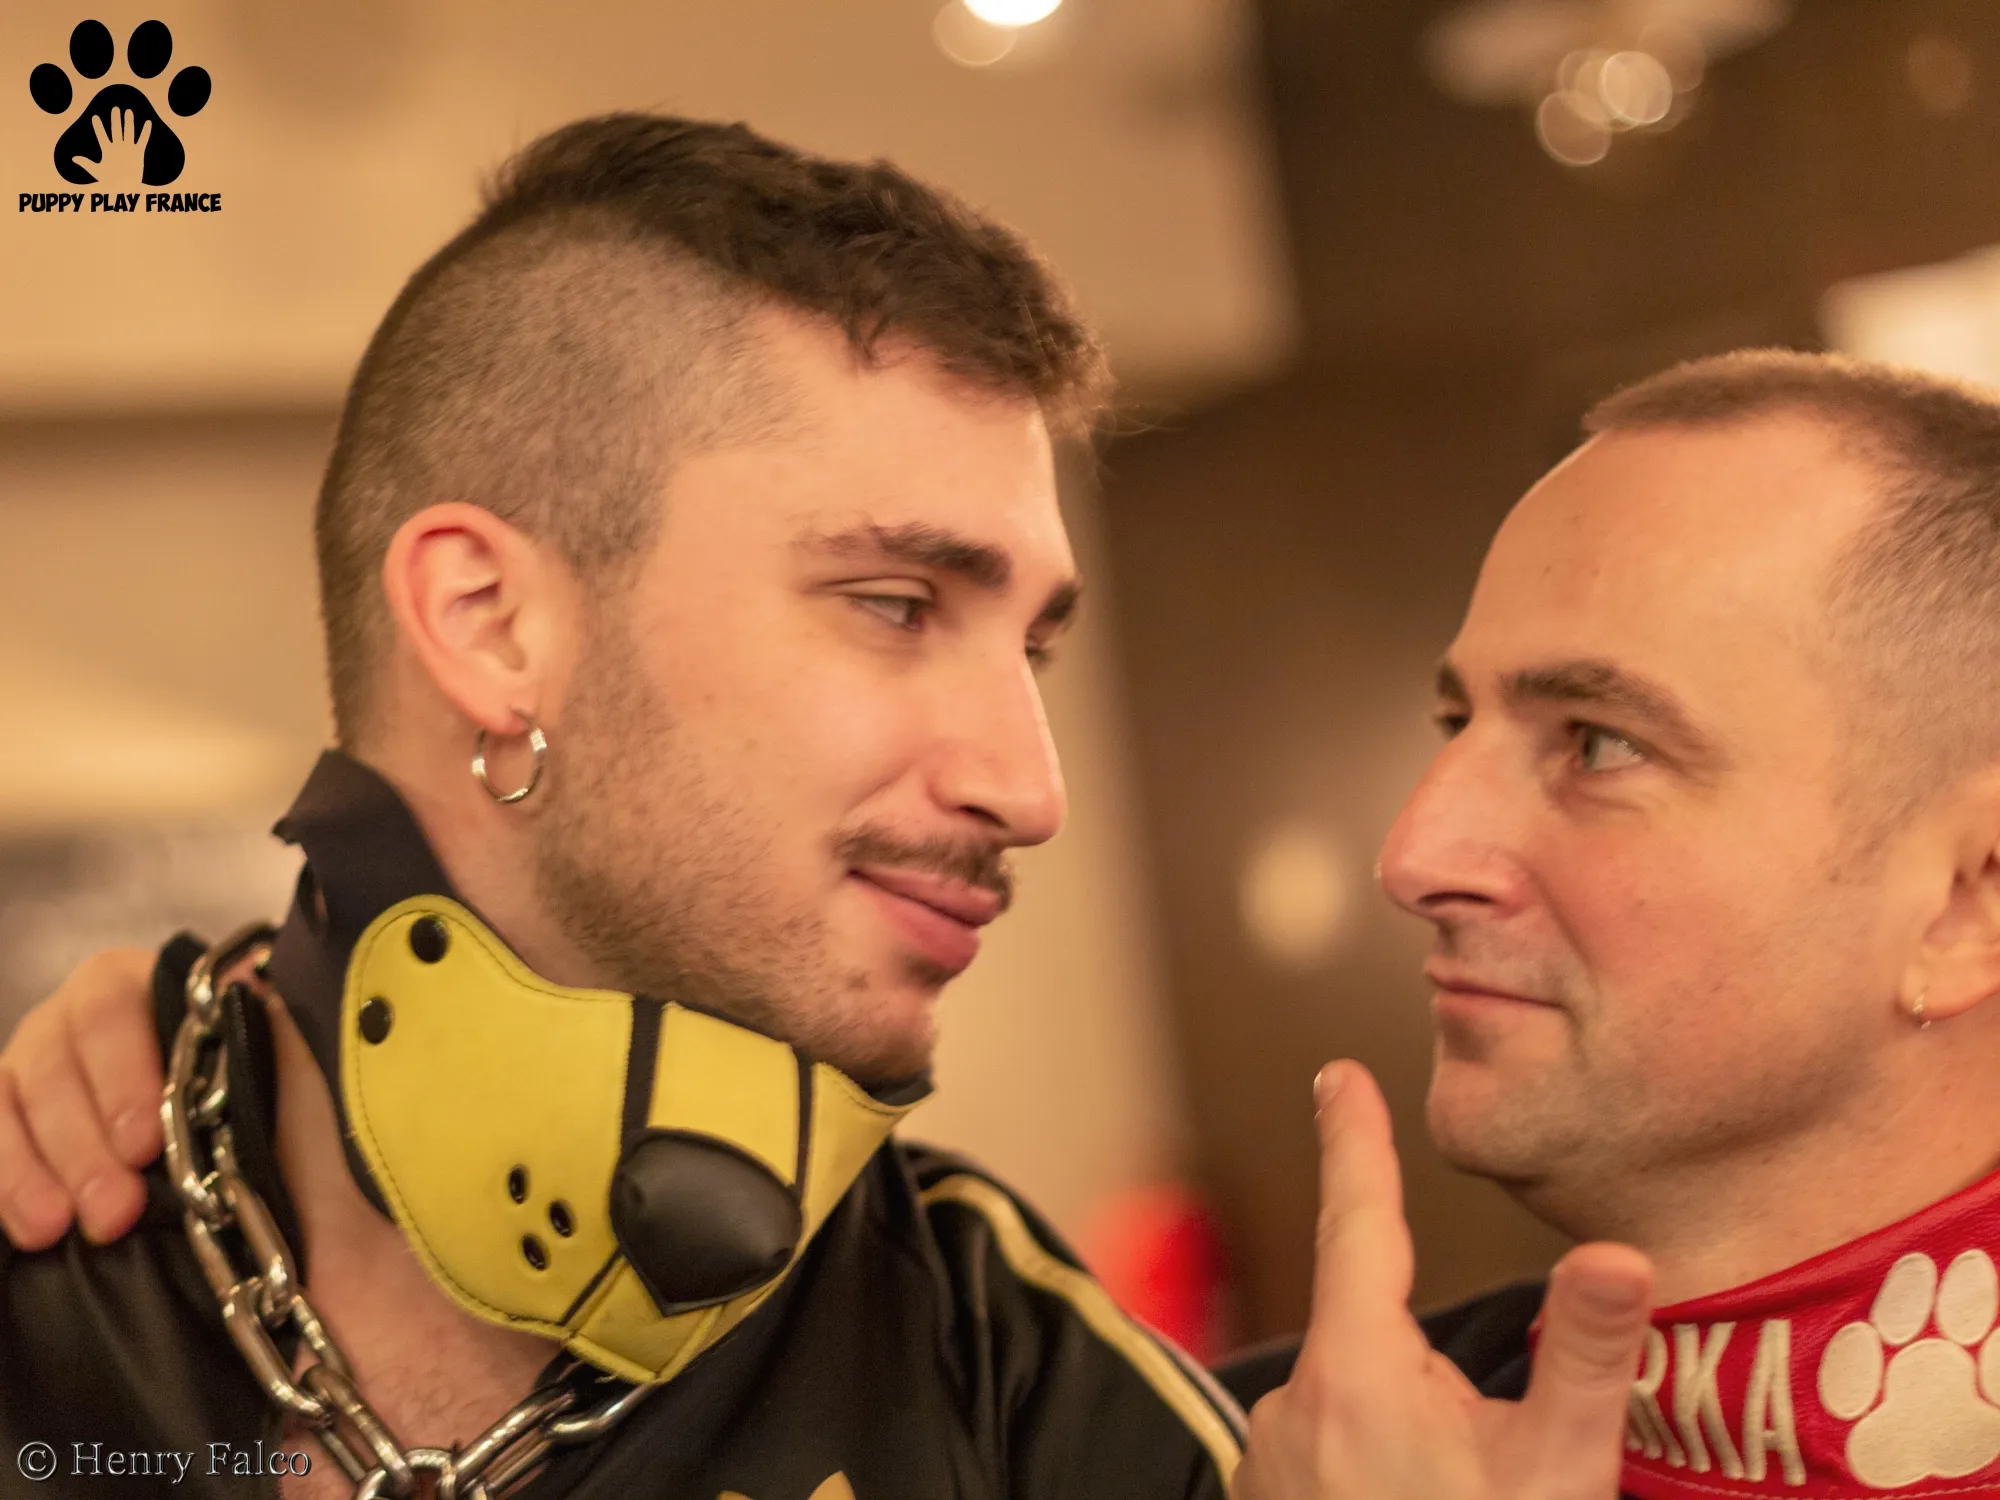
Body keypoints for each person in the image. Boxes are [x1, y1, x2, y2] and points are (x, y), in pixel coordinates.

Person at [0, 114, 1652, 1500]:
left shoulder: (1023, 1390)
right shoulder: (51, 1215)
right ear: (491, 626)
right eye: (894, 604)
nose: (1030, 790)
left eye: (1032, 647)